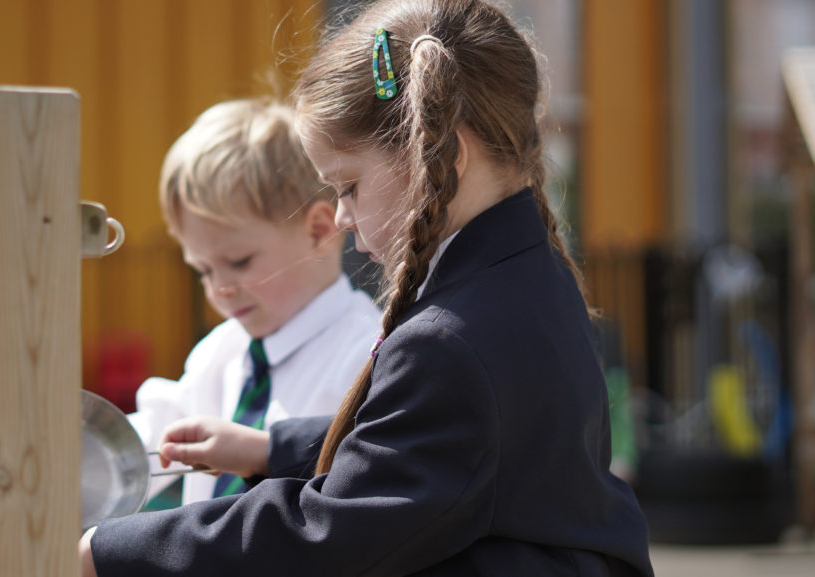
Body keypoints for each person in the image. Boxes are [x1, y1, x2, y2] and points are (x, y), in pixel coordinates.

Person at [81, 1, 654, 575]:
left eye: (349, 186)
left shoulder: (452, 339)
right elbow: (428, 446)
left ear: (446, 153)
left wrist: (108, 552)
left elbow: (328, 533)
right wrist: (271, 449)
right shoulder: (524, 276)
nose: (342, 215)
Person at [127, 97, 381, 505]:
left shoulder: (368, 356)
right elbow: (146, 444)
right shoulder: (219, 353)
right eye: (204, 271)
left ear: (318, 231)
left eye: (238, 262)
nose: (219, 288)